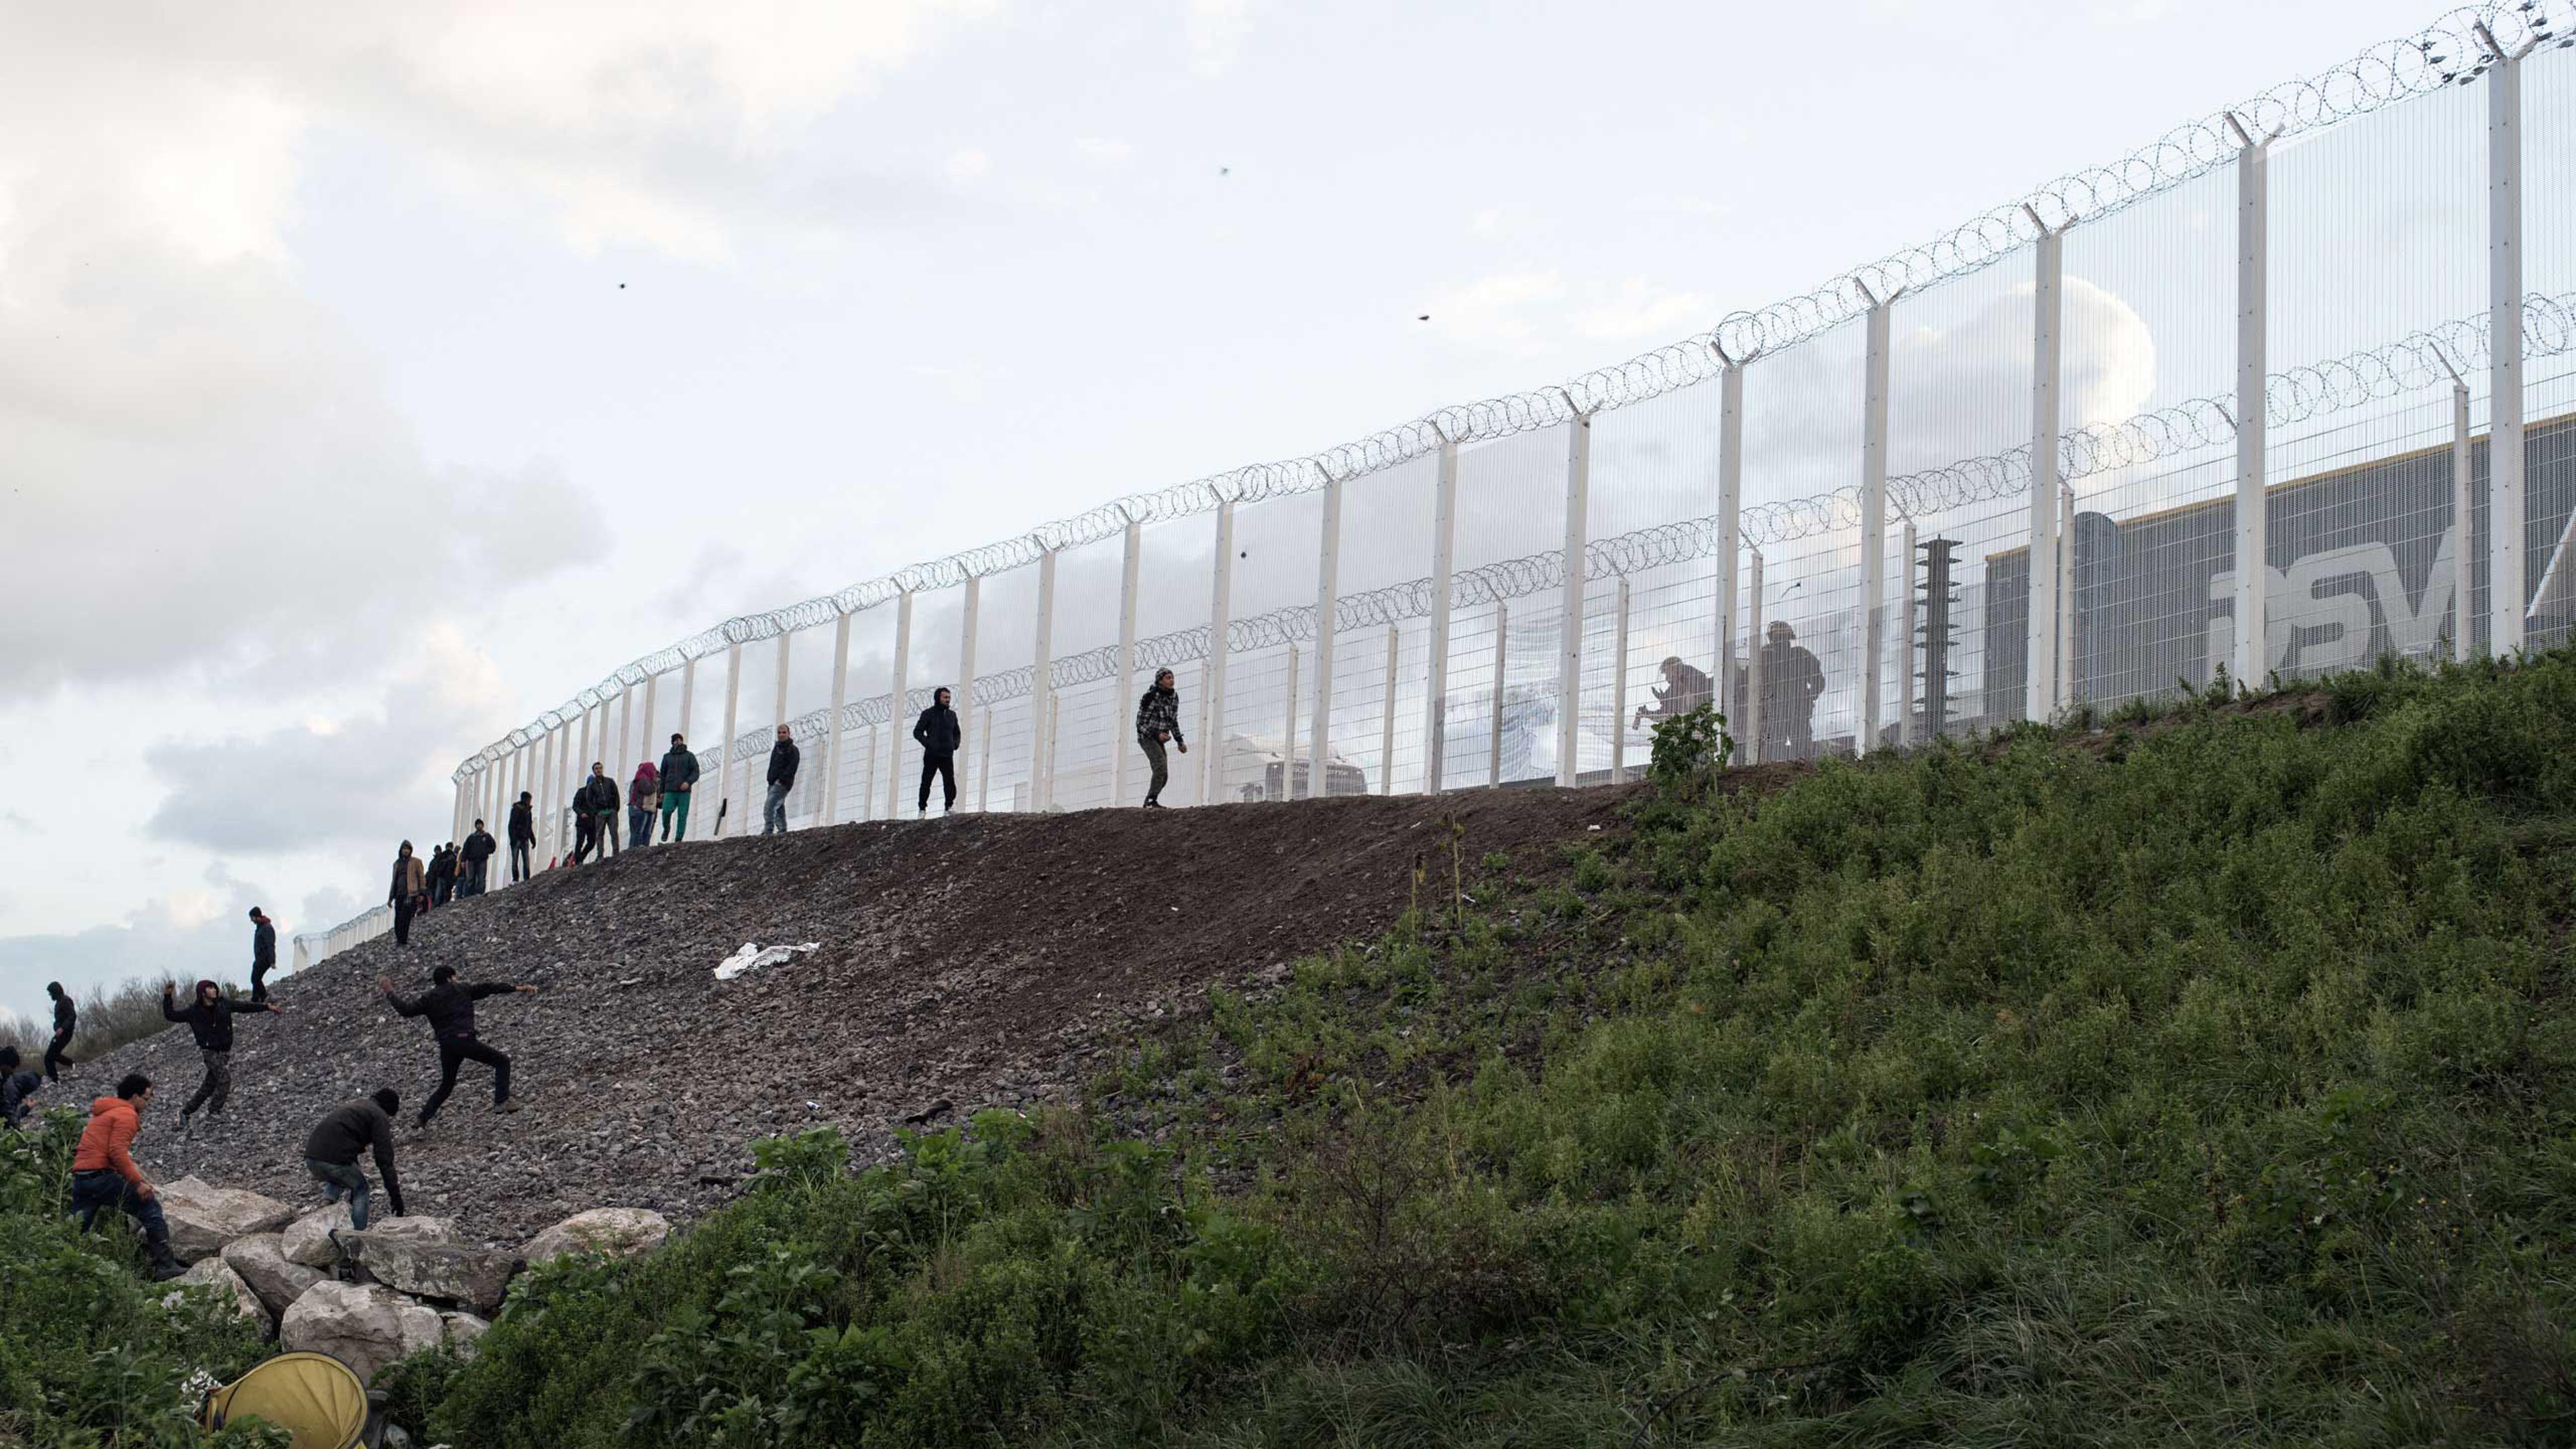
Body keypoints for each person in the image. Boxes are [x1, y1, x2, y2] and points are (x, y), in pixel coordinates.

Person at [379, 965, 537, 1128]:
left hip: (447, 1045)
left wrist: (390, 992)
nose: (457, 980)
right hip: (465, 1040)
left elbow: (406, 1010)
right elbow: (490, 987)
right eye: (455, 977)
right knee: (502, 1062)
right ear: (450, 978)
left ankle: (422, 1118)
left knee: (447, 1084)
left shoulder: (429, 998)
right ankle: (501, 1102)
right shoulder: (462, 989)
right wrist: (518, 988)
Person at [71, 1072, 185, 1279]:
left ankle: (63, 1271)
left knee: (75, 1228)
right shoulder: (126, 1115)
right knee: (149, 1206)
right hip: (101, 1176)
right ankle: (166, 1266)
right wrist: (138, 1183)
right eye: (146, 1098)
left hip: (82, 1178)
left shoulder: (104, 1113)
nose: (147, 1104)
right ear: (134, 1097)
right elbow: (117, 1152)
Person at [162, 979, 281, 1135]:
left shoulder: (224, 1004)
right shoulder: (194, 1011)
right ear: (203, 992)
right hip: (209, 1052)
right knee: (225, 1078)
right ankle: (214, 1112)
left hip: (224, 1053)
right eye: (210, 988)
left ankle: (185, 1113)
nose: (214, 990)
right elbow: (171, 1015)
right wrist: (167, 996)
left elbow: (244, 1006)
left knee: (209, 1086)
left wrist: (266, 1007)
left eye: (214, 987)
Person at [305, 1088, 407, 1230]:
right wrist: (395, 1196)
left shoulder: (358, 1106)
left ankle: (324, 1208)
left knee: (342, 1176)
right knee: (361, 1188)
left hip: (312, 1156)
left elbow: (343, 1141)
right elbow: (384, 1159)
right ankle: (358, 1234)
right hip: (334, 1159)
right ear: (388, 1107)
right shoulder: (378, 1115)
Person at [1759, 621, 1827, 761]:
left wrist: (1808, 698)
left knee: (1784, 750)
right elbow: (1818, 682)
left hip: (1788, 712)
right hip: (1781, 712)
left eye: (1780, 638)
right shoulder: (1766, 657)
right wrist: (1808, 697)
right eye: (1778, 638)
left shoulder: (1766, 657)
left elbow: (1818, 682)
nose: (1779, 642)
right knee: (1781, 750)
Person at [1134, 667, 1188, 808]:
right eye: (1168, 678)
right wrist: (1156, 734)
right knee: (1160, 767)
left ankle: (1151, 801)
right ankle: (1151, 802)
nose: (1171, 680)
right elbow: (1140, 723)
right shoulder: (1151, 697)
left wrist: (1179, 741)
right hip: (1147, 737)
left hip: (1159, 738)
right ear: (1160, 681)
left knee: (1164, 775)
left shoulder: (1174, 697)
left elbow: (1173, 721)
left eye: (1172, 677)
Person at [1633, 655, 1715, 733]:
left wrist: (1648, 713)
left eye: (1666, 673)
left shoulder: (1691, 681)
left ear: (1674, 669)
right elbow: (1668, 710)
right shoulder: (1683, 681)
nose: (1666, 678)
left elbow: (1667, 713)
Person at [913, 687, 961, 817]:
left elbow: (957, 732)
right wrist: (929, 744)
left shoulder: (952, 715)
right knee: (926, 782)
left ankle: (948, 807)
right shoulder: (928, 714)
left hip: (947, 754)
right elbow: (917, 732)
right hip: (932, 755)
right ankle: (922, 809)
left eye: (949, 698)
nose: (948, 700)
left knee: (949, 782)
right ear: (938, 698)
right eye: (945, 697)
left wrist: (955, 745)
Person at [659, 733, 700, 842]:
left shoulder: (689, 756)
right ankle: (666, 829)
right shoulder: (667, 757)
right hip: (670, 790)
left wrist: (688, 782)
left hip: (684, 792)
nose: (678, 742)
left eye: (679, 740)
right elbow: (663, 775)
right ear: (673, 743)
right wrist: (661, 791)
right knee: (666, 811)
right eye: (675, 740)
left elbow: (696, 772)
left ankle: (679, 838)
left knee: (682, 815)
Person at [570, 764, 612, 863]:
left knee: (592, 842)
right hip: (582, 822)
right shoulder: (581, 792)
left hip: (592, 822)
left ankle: (580, 858)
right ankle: (578, 862)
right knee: (580, 842)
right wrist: (581, 813)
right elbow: (575, 805)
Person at [762, 726, 800, 835]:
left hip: (782, 784)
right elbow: (772, 765)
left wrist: (782, 780)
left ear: (789, 734)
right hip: (772, 783)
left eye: (784, 732)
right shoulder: (777, 748)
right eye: (779, 733)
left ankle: (768, 830)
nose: (781, 735)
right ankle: (782, 830)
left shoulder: (792, 750)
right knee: (778, 808)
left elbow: (792, 767)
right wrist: (770, 779)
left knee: (769, 807)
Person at [388, 841, 428, 946]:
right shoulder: (397, 864)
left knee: (406, 918)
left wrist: (422, 893)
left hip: (411, 894)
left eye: (408, 849)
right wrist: (390, 897)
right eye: (404, 849)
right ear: (401, 851)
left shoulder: (416, 862)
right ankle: (399, 940)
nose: (406, 851)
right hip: (399, 894)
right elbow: (394, 881)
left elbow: (421, 878)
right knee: (398, 918)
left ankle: (403, 940)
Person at [1, 1047, 42, 1130]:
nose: (12, 1072)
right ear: (4, 1064)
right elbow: (7, 1117)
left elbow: (4, 1105)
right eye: (12, 1067)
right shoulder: (11, 1090)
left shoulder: (6, 1082)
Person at [43, 981, 76, 1081]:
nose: (50, 995)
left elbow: (72, 1016)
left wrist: (62, 1028)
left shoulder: (65, 1001)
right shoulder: (58, 1003)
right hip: (60, 1033)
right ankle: (69, 1065)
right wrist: (56, 1027)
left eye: (51, 993)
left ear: (55, 992)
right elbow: (58, 1020)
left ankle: (55, 1079)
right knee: (51, 1056)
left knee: (49, 1057)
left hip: (65, 1033)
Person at [247, 907, 279, 1004]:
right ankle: (260, 997)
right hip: (260, 958)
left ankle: (258, 999)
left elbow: (270, 945)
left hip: (265, 959)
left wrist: (272, 961)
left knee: (255, 978)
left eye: (252, 918)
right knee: (255, 978)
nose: (251, 920)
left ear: (256, 917)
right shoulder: (261, 927)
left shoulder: (267, 928)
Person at [460, 819, 497, 898]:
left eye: (480, 824)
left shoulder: (487, 836)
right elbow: (465, 849)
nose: (479, 826)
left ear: (483, 825)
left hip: (482, 860)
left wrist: (487, 852)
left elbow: (493, 846)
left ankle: (480, 893)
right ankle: (470, 894)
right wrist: (463, 860)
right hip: (471, 860)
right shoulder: (471, 837)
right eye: (477, 824)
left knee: (481, 877)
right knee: (470, 878)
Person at [629, 760, 660, 850]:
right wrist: (655, 783)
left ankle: (645, 848)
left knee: (648, 831)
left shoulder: (649, 779)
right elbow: (648, 790)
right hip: (642, 808)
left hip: (650, 808)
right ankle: (636, 848)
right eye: (653, 769)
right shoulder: (642, 779)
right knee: (640, 830)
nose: (654, 772)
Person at [507, 792, 535, 883]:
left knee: (526, 860)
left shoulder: (528, 811)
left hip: (525, 839)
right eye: (529, 799)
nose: (530, 801)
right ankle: (516, 879)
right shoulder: (517, 809)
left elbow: (529, 827)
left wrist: (532, 839)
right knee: (515, 860)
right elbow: (511, 825)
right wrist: (513, 839)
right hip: (518, 839)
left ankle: (526, 878)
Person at [427, 843, 457, 908]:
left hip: (440, 876)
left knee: (438, 894)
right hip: (448, 877)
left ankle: (436, 907)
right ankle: (444, 905)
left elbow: (432, 871)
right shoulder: (453, 856)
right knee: (446, 893)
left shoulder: (440, 857)